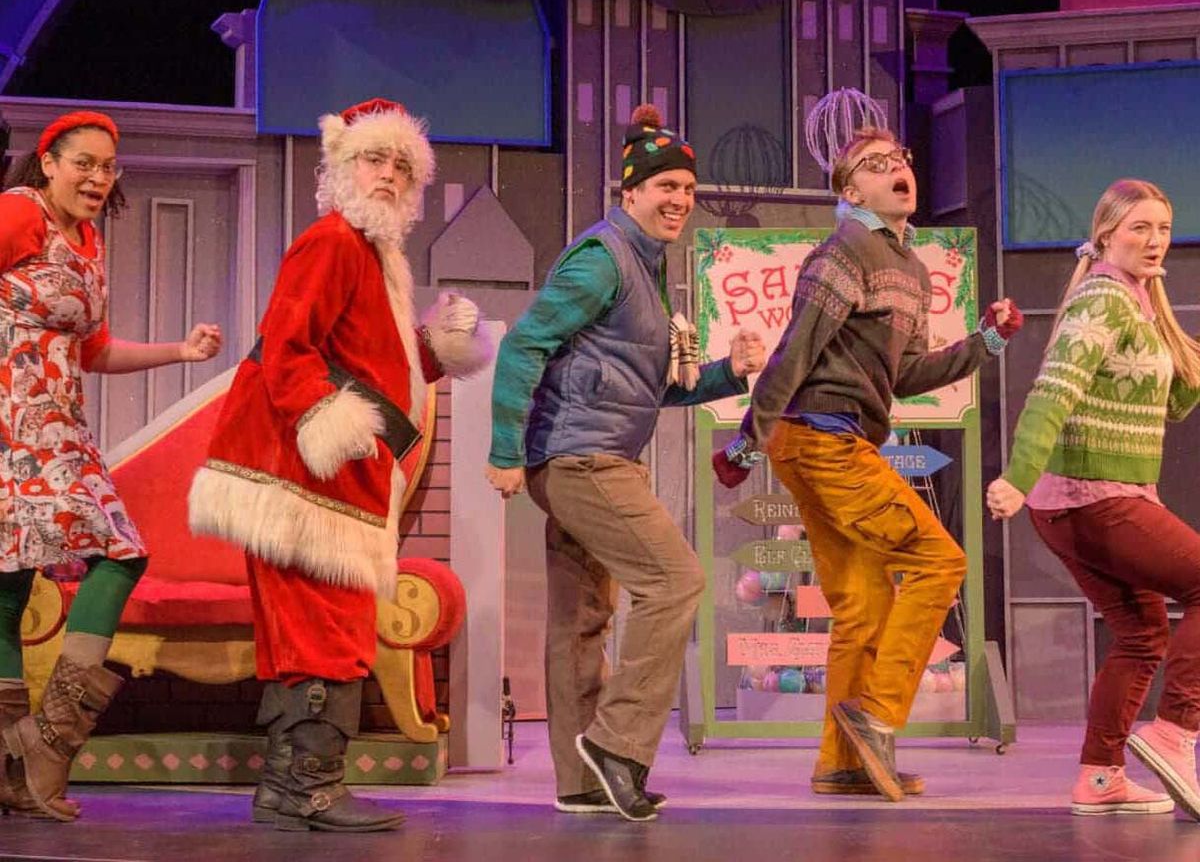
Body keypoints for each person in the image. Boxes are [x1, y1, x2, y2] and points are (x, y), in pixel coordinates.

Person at [189, 98, 492, 833]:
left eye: (402, 166)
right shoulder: (331, 241)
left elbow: (368, 363)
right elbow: (286, 345)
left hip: (330, 481)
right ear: (341, 167)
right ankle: (308, 788)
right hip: (302, 476)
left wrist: (433, 349)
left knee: (326, 626)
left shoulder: (374, 255)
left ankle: (294, 787)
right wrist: (325, 419)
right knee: (320, 628)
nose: (388, 175)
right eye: (373, 159)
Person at [486, 104, 766, 822]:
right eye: (665, 186)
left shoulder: (644, 267)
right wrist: (505, 452)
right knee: (676, 581)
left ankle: (582, 780)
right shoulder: (602, 259)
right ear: (630, 191)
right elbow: (523, 345)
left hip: (593, 454)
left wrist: (727, 374)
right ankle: (616, 745)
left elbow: (648, 386)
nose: (679, 200)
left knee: (580, 619)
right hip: (583, 460)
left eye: (687, 189)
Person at [724, 125, 1021, 802]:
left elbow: (907, 373)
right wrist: (746, 441)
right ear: (851, 191)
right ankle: (878, 716)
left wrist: (985, 342)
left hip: (836, 439)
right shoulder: (843, 250)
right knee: (940, 562)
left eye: (901, 159)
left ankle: (840, 762)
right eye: (876, 163)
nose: (896, 168)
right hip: (820, 438)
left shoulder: (910, 269)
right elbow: (795, 350)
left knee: (860, 607)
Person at [0, 110, 222, 821]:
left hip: (59, 428)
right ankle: (45, 750)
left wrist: (179, 352)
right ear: (49, 163)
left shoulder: (89, 241)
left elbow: (95, 351)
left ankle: (20, 767)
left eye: (107, 167)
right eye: (84, 163)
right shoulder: (20, 213)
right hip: (15, 426)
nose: (98, 177)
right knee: (117, 554)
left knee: (9, 588)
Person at [987, 178, 1200, 819]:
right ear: (1106, 234)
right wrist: (1016, 477)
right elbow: (1051, 394)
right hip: (1092, 497)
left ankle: (1100, 776)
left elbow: (1169, 406)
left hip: (1088, 501)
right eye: (1140, 227)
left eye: (1163, 229)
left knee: (1140, 632)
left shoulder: (1137, 301)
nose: (1155, 241)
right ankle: (1176, 731)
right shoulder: (1103, 301)